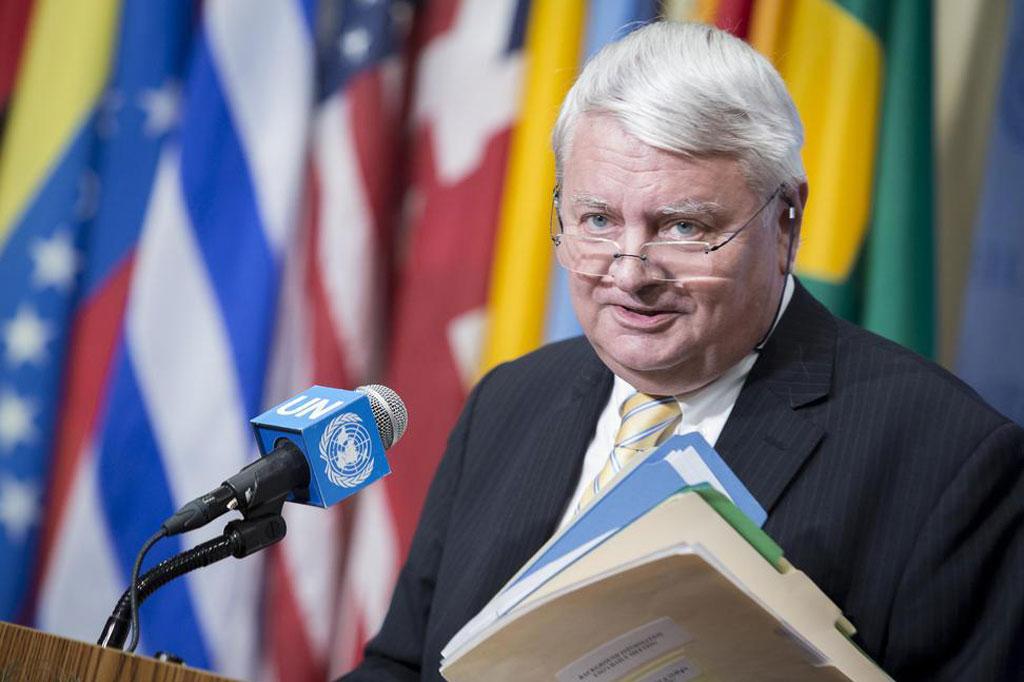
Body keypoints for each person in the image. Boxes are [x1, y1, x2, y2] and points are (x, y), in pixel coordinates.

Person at [342, 21, 1024, 681]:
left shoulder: (950, 460)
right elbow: (403, 665)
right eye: (598, 219)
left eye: (682, 227)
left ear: (786, 221)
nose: (630, 272)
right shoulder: (509, 400)